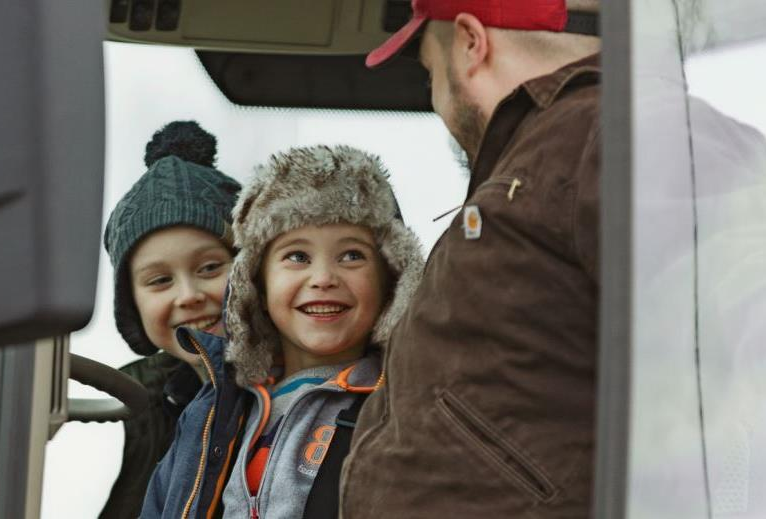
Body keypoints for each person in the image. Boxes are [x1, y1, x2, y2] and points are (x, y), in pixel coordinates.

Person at [340, 0, 602, 517]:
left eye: (429, 72)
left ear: (469, 42)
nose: (436, 98)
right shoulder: (545, 158)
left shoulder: (609, 134)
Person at [140, 145, 424, 518]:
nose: (323, 278)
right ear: (256, 282)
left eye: (352, 255)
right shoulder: (211, 411)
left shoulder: (405, 411)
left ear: (391, 280)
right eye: (297, 257)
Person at [99, 121, 242, 519]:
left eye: (211, 267)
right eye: (160, 281)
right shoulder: (136, 402)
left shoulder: (295, 392)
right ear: (132, 305)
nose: (188, 295)